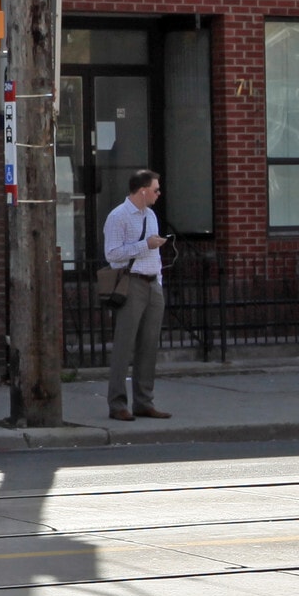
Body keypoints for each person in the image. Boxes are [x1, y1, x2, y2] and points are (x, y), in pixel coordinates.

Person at [103, 168, 171, 421]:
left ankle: (144, 401)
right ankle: (118, 403)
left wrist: (159, 282)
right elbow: (112, 254)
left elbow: (156, 254)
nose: (158, 193)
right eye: (155, 189)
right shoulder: (118, 217)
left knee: (149, 346)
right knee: (124, 346)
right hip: (131, 284)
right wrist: (145, 245)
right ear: (143, 191)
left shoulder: (151, 215)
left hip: (153, 283)